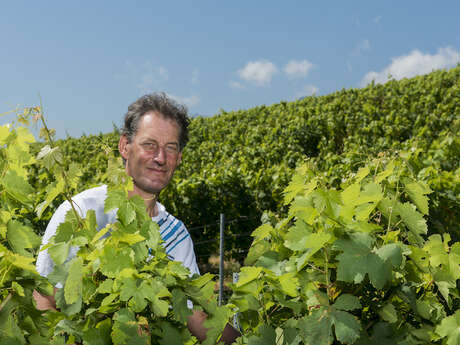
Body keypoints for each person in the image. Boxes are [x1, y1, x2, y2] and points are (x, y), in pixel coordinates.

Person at [34, 93, 240, 344]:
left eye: (171, 148)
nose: (160, 158)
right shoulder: (81, 212)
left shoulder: (176, 234)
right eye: (149, 144)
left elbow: (198, 315)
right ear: (124, 146)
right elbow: (44, 299)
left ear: (179, 158)